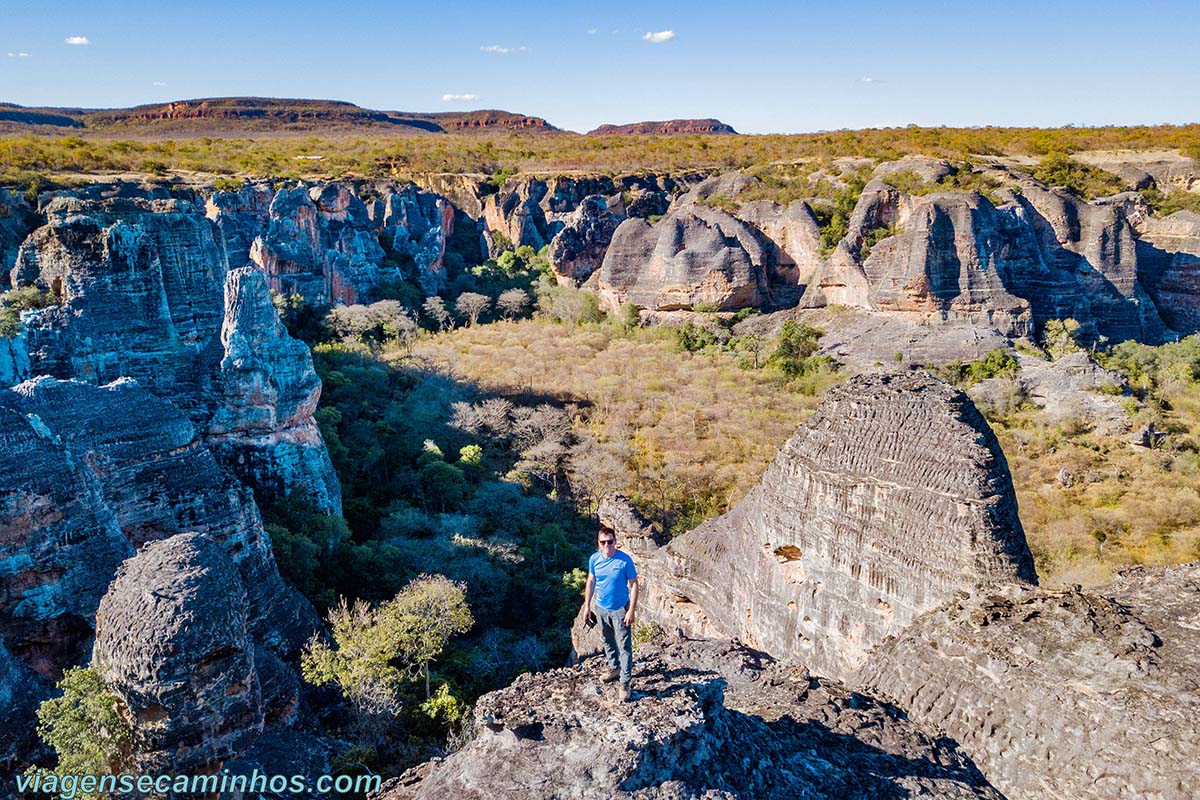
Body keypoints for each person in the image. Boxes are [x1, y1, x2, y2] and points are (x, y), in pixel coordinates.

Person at [583, 524, 639, 701]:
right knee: (607, 641)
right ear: (598, 543)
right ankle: (614, 668)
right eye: (603, 542)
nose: (607, 546)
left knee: (624, 646)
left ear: (616, 542)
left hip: (620, 609)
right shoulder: (594, 559)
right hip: (601, 608)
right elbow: (591, 581)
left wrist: (631, 610)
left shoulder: (624, 560)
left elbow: (634, 584)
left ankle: (625, 682)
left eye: (610, 542)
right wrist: (587, 606)